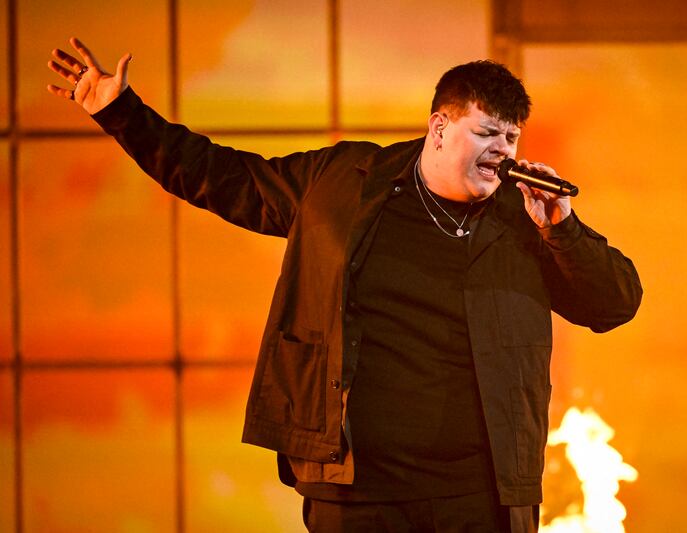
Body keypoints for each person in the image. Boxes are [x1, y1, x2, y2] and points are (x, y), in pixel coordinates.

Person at [47, 37, 642, 532]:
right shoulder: (343, 182)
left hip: (479, 497)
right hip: (358, 491)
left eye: (511, 139)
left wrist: (562, 229)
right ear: (439, 127)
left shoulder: (526, 219)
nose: (500, 153)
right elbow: (220, 176)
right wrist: (120, 111)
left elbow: (615, 302)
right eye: (487, 133)